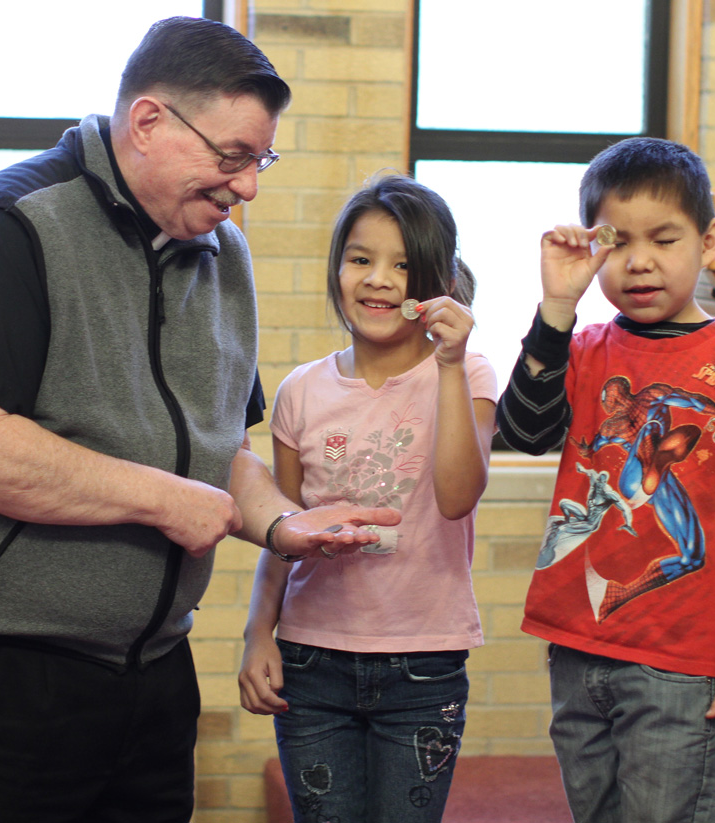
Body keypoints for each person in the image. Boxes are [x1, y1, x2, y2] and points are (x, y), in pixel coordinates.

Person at [0, 17, 399, 823]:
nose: (248, 186)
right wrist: (161, 498)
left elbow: (220, 453)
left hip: (148, 671)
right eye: (233, 157)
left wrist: (285, 524)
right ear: (148, 122)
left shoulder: (222, 255)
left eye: (261, 160)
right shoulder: (9, 226)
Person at [496, 136, 715, 823]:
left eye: (664, 239)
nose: (639, 261)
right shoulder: (582, 348)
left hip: (684, 664)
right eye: (619, 241)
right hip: (579, 648)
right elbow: (522, 431)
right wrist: (554, 308)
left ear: (709, 240)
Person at [238, 173, 498, 823]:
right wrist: (256, 634)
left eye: (403, 265)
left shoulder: (467, 372)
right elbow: (282, 527)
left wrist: (446, 362)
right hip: (311, 660)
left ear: (435, 282)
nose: (378, 278)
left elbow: (458, 497)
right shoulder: (300, 390)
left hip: (424, 667)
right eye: (361, 259)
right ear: (337, 270)